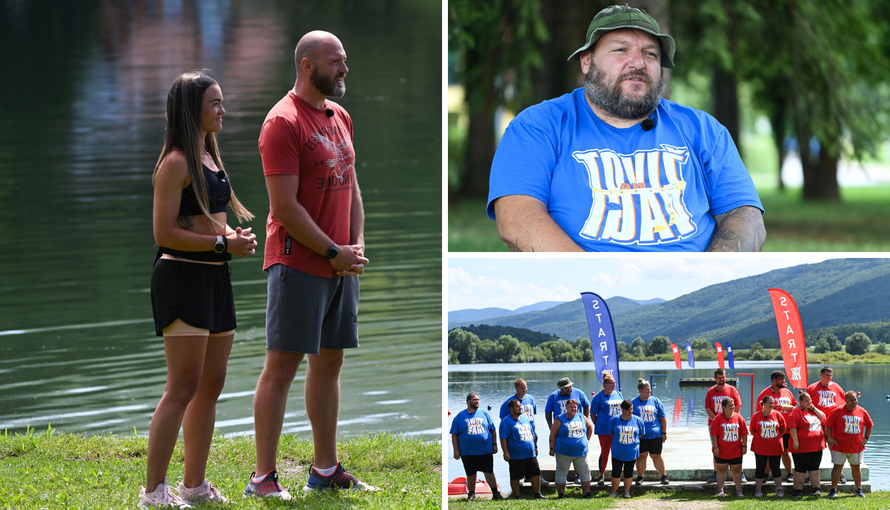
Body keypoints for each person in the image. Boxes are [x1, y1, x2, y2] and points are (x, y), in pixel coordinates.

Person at [487, 4, 765, 252]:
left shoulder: (703, 129)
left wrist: (707, 280)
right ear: (587, 61)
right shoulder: (538, 126)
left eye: (650, 54)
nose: (638, 63)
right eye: (620, 50)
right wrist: (597, 286)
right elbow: (516, 220)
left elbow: (745, 215)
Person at [245, 30, 375, 499]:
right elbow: (283, 208)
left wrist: (353, 246)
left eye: (344, 60)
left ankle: (325, 469)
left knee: (330, 363)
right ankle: (263, 477)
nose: (344, 69)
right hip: (299, 263)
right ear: (307, 65)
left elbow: (351, 186)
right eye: (336, 62)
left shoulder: (339, 116)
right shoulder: (282, 123)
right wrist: (330, 252)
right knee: (282, 366)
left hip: (341, 263)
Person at [141, 69, 257, 509]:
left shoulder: (209, 155)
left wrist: (232, 243)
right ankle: (153, 492)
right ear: (193, 110)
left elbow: (214, 222)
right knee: (182, 386)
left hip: (214, 276)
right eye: (215, 103)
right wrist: (221, 243)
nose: (223, 109)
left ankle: (194, 486)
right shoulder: (175, 163)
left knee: (211, 384)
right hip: (181, 278)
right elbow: (164, 232)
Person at [451, 393, 504, 501]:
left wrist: (494, 444)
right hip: (467, 451)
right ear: (468, 401)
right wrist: (456, 450)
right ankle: (471, 494)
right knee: (470, 473)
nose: (477, 401)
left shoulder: (484, 413)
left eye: (478, 399)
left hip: (485, 450)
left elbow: (493, 430)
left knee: (489, 471)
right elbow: (454, 434)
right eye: (475, 399)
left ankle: (495, 493)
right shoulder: (460, 416)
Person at [499, 378, 548, 487]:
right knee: (517, 461)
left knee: (533, 457)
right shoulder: (509, 402)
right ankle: (520, 477)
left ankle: (535, 477)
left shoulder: (530, 399)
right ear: (516, 388)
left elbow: (533, 415)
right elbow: (504, 421)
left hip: (531, 434)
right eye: (522, 388)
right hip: (516, 436)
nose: (524, 390)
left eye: (525, 387)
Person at [824, 391, 872, 498]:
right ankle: (833, 490)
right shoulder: (837, 411)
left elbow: (869, 425)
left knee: (856, 467)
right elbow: (828, 425)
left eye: (855, 400)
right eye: (851, 400)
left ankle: (858, 489)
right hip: (839, 446)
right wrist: (830, 438)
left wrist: (866, 438)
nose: (854, 402)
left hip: (856, 446)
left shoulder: (862, 411)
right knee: (837, 467)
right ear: (845, 400)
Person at [805, 366, 846, 484]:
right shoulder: (812, 388)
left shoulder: (836, 387)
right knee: (814, 448)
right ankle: (811, 473)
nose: (829, 377)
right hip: (816, 422)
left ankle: (840, 474)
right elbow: (804, 404)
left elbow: (843, 404)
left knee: (834, 447)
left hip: (833, 423)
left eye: (831, 375)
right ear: (821, 375)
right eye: (827, 375)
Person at [500, 399, 547, 499]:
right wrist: (505, 452)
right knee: (515, 476)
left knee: (536, 473)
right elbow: (503, 438)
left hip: (530, 453)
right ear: (511, 409)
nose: (520, 408)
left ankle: (537, 494)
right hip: (516, 455)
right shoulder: (506, 422)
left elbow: (532, 434)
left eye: (520, 406)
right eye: (517, 406)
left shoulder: (525, 419)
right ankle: (517, 495)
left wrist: (536, 447)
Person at [755, 370, 797, 482]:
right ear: (774, 381)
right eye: (781, 379)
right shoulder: (765, 393)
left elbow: (796, 408)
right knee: (770, 453)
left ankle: (789, 474)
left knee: (785, 451)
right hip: (771, 429)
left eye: (784, 379)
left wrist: (783, 407)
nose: (784, 381)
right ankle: (766, 474)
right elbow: (759, 411)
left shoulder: (787, 392)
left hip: (786, 428)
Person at [549, 399, 594, 498]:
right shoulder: (560, 419)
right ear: (566, 408)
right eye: (571, 407)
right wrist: (551, 448)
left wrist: (588, 440)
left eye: (575, 407)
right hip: (563, 452)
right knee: (561, 472)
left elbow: (590, 427)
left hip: (581, 452)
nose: (573, 409)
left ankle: (586, 492)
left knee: (585, 471)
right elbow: (553, 434)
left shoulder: (582, 417)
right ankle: (561, 493)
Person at [704, 368, 742, 483]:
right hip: (714, 425)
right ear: (715, 378)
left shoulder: (732, 390)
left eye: (724, 377)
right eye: (719, 378)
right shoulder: (711, 391)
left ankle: (741, 472)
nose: (722, 380)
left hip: (731, 424)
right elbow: (708, 408)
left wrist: (729, 419)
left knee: (736, 446)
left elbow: (738, 406)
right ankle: (716, 472)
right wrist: (717, 421)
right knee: (716, 448)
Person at [788, 390, 827, 497]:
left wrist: (813, 408)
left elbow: (824, 418)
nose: (809, 402)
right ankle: (798, 490)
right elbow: (792, 427)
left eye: (810, 400)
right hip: (802, 447)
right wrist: (795, 441)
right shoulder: (796, 412)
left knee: (814, 468)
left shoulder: (813, 411)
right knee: (800, 468)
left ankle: (816, 489)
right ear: (800, 402)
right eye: (806, 401)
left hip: (816, 446)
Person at [631, 379, 668, 485]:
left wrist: (664, 433)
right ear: (640, 390)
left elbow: (662, 418)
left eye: (650, 389)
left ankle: (663, 476)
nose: (649, 391)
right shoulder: (634, 403)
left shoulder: (656, 401)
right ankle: (640, 477)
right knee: (641, 456)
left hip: (655, 434)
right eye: (647, 390)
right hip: (641, 436)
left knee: (656, 456)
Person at [710, 398, 748, 498]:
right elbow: (714, 435)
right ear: (724, 407)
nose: (732, 407)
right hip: (722, 450)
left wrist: (744, 445)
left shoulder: (739, 418)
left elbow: (744, 433)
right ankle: (720, 489)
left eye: (733, 405)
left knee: (736, 469)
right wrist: (716, 447)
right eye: (729, 405)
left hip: (736, 450)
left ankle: (739, 490)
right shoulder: (717, 419)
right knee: (721, 469)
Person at [590, 373, 623, 485]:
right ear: (605, 384)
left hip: (617, 429)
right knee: (605, 452)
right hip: (604, 429)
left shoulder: (618, 394)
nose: (613, 385)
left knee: (616, 452)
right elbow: (593, 414)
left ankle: (615, 474)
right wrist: (599, 424)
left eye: (614, 383)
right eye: (611, 383)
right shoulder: (599, 397)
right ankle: (601, 475)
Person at [608, 400, 646, 499]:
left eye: (632, 409)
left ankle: (626, 491)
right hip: (618, 451)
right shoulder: (614, 420)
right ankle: (614, 491)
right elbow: (611, 433)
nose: (630, 411)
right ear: (622, 410)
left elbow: (640, 434)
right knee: (616, 471)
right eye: (628, 410)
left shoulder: (638, 420)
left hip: (631, 451)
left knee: (628, 472)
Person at [750, 396, 786, 498]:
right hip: (760, 446)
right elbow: (752, 430)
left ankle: (779, 489)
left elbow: (783, 428)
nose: (772, 405)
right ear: (763, 404)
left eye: (773, 403)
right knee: (760, 468)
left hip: (775, 446)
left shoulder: (777, 415)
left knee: (776, 468)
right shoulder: (756, 416)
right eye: (769, 403)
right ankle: (758, 490)